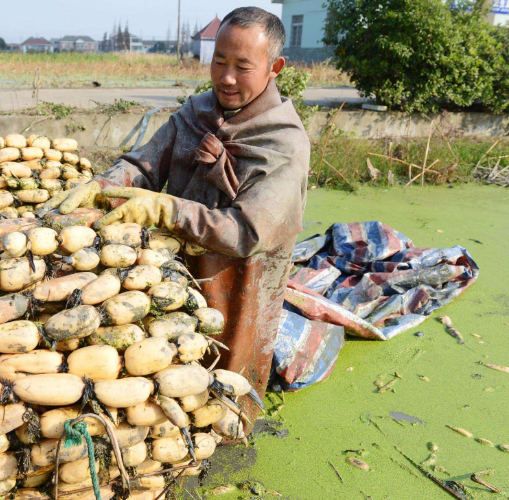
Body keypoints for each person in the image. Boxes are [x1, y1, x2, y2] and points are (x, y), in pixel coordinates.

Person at [39, 7, 310, 417]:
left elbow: (248, 234)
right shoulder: (195, 113)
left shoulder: (284, 142)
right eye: (219, 61)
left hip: (239, 281)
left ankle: (235, 428)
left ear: (275, 68)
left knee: (224, 381)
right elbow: (144, 166)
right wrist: (106, 184)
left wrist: (169, 209)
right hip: (172, 274)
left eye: (242, 66)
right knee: (167, 377)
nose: (226, 78)